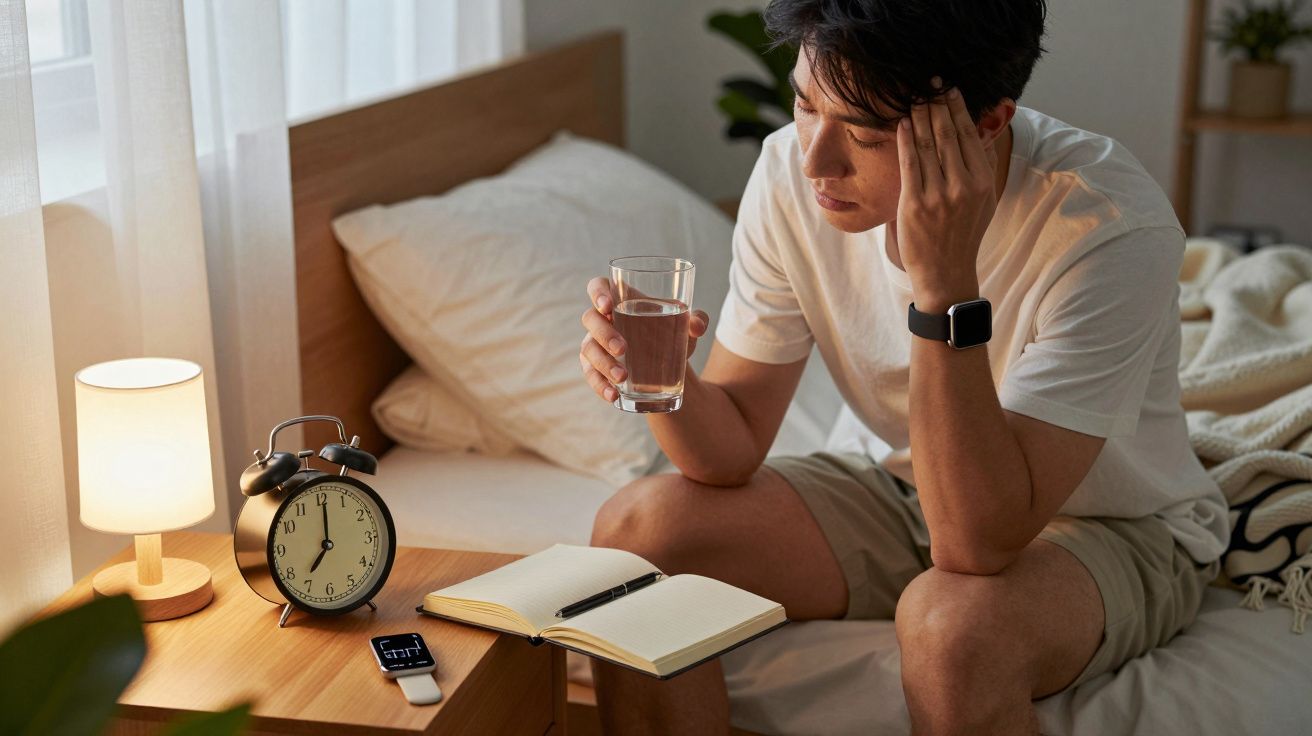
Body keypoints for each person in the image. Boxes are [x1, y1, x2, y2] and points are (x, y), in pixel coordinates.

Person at [577, 1, 1230, 733]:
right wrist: (661, 379)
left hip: (1111, 526)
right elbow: (729, 448)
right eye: (804, 103)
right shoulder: (790, 173)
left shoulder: (1108, 225)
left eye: (865, 131)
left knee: (949, 629)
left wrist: (944, 284)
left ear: (985, 124)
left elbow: (976, 545)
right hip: (919, 486)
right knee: (637, 531)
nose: (816, 159)